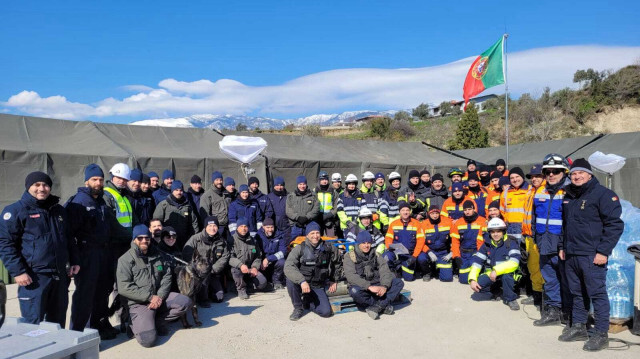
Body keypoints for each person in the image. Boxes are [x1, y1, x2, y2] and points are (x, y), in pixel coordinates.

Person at [558, 158, 624, 351]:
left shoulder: (603, 195)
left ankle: (601, 334)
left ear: (590, 175)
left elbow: (615, 225)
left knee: (597, 294)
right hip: (571, 254)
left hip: (591, 255)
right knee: (577, 293)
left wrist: (603, 251)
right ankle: (579, 326)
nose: (576, 176)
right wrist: (563, 246)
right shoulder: (569, 195)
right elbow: (565, 224)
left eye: (580, 173)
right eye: (573, 174)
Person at [0, 171, 79, 328]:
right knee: (33, 324)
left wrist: (74, 261)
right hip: (34, 278)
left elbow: (69, 238)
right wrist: (18, 271)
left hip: (59, 277)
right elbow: (5, 243)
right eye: (37, 185)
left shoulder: (58, 211)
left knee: (57, 323)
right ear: (28, 187)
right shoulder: (15, 211)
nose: (41, 188)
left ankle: (58, 353)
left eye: (45, 185)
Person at [116, 225, 192, 348]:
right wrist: (150, 298)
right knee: (148, 341)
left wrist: (160, 296)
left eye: (147, 238)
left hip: (159, 297)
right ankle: (133, 323)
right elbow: (124, 287)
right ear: (134, 239)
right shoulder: (125, 260)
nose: (144, 241)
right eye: (140, 238)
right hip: (139, 302)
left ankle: (157, 321)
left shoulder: (158, 254)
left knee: (185, 302)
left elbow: (167, 276)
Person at [65, 164, 114, 337]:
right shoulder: (78, 203)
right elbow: (69, 234)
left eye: (100, 180)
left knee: (101, 293)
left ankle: (95, 329)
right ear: (86, 181)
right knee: (85, 295)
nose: (98, 183)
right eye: (94, 179)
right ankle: (78, 334)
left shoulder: (100, 201)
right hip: (86, 255)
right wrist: (73, 260)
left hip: (102, 253)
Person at [531, 155, 572, 327]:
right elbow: (534, 217)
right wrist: (536, 238)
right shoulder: (540, 191)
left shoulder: (570, 191)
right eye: (548, 172)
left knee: (568, 280)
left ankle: (569, 314)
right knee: (550, 279)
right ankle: (553, 312)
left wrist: (566, 244)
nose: (551, 174)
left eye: (556, 171)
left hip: (563, 246)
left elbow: (572, 222)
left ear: (564, 172)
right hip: (544, 243)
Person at [284, 222, 342, 321]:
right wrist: (302, 281)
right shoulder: (299, 248)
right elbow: (288, 266)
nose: (315, 236)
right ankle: (298, 308)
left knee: (326, 312)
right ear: (307, 235)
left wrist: (334, 279)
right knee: (290, 281)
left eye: (317, 233)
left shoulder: (329, 247)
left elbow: (338, 263)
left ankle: (307, 302)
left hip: (318, 285)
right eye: (312, 233)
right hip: (302, 283)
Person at [344, 231, 404, 320]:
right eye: (363, 243)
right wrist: (368, 286)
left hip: (378, 284)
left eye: (368, 243)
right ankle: (383, 305)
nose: (366, 245)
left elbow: (385, 271)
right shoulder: (350, 256)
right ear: (358, 243)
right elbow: (351, 276)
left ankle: (376, 307)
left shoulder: (376, 254)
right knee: (354, 291)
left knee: (398, 283)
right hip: (363, 287)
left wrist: (384, 286)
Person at [468, 218, 521, 311]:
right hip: (493, 274)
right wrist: (472, 279)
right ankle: (498, 291)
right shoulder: (486, 244)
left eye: (498, 231)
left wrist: (496, 270)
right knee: (478, 285)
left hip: (509, 274)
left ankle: (510, 298)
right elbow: (477, 262)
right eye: (492, 232)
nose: (495, 234)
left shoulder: (511, 242)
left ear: (503, 231)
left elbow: (514, 262)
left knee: (506, 276)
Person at [183, 216, 230, 304]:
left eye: (215, 226)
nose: (212, 228)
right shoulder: (195, 239)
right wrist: (195, 269)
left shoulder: (222, 241)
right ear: (205, 227)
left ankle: (208, 292)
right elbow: (186, 253)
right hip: (198, 273)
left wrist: (213, 269)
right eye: (210, 226)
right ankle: (202, 298)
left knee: (219, 297)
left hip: (212, 272)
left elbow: (225, 256)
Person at [521, 164, 545, 308]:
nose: (534, 179)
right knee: (532, 267)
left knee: (541, 268)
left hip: (539, 236)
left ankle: (543, 298)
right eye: (532, 176)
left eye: (538, 176)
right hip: (528, 235)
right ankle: (536, 294)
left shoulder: (545, 191)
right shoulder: (530, 191)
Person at [382, 202, 427, 281]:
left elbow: (420, 241)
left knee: (408, 278)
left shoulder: (416, 224)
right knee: (386, 257)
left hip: (409, 254)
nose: (405, 212)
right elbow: (388, 238)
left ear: (410, 212)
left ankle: (404, 268)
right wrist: (390, 247)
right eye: (403, 210)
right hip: (396, 252)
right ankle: (393, 270)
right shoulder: (393, 223)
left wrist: (414, 256)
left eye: (407, 210)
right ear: (399, 212)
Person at [153, 181, 200, 249]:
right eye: (176, 190)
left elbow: (194, 222)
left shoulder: (187, 206)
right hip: (168, 240)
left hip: (183, 240)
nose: (179, 192)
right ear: (172, 191)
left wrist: (193, 238)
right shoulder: (163, 205)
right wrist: (160, 238)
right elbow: (156, 222)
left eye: (181, 190)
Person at [229, 218, 268, 299]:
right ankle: (241, 289)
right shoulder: (231, 240)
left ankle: (248, 286)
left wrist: (254, 267)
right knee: (235, 271)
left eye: (245, 226)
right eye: (241, 226)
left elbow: (257, 256)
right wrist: (241, 265)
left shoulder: (253, 240)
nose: (243, 228)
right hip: (237, 269)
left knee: (263, 283)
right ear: (237, 228)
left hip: (250, 269)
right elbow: (230, 257)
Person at [451, 200, 486, 284]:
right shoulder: (458, 223)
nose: (467, 212)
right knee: (463, 280)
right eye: (465, 210)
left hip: (476, 252)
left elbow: (485, 240)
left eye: (469, 209)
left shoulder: (482, 221)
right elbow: (455, 242)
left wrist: (482, 254)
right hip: (464, 254)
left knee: (476, 277)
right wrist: (456, 256)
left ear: (474, 209)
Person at [421, 205, 453, 282]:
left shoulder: (448, 222)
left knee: (447, 278)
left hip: (443, 253)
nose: (435, 216)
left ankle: (437, 269)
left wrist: (452, 252)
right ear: (429, 214)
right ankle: (427, 272)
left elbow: (454, 240)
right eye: (432, 214)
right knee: (421, 258)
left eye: (436, 213)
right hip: (429, 251)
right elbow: (420, 242)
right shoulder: (423, 224)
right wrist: (429, 252)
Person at [257, 218, 287, 289]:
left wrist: (268, 259)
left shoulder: (280, 235)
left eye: (272, 227)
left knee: (282, 262)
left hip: (274, 261)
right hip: (262, 263)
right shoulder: (258, 236)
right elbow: (254, 251)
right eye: (267, 227)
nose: (270, 229)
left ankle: (277, 281)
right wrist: (261, 260)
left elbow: (283, 252)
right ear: (263, 227)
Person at [286, 175, 320, 240]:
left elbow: (316, 208)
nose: (302, 186)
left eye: (304, 184)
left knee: (310, 244)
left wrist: (307, 217)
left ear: (306, 184)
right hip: (296, 225)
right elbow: (288, 210)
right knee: (294, 244)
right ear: (297, 185)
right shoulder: (291, 196)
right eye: (300, 184)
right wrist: (297, 217)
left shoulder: (313, 195)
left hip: (309, 225)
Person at [199, 171, 230, 240]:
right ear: (213, 181)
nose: (219, 182)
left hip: (228, 228)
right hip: (216, 229)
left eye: (221, 180)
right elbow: (204, 216)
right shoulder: (207, 196)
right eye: (217, 180)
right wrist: (211, 229)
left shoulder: (226, 193)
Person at [314, 171, 338, 236]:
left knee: (331, 240)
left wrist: (331, 214)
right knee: (318, 239)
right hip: (318, 219)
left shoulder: (333, 191)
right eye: (322, 179)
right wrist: (316, 215)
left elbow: (336, 205)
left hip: (329, 219)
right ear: (319, 180)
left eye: (326, 179)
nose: (324, 181)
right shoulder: (315, 191)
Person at [267, 176, 290, 243]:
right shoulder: (269, 197)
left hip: (287, 227)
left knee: (287, 245)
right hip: (275, 228)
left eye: (281, 185)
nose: (279, 187)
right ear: (274, 186)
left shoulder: (288, 196)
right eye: (277, 185)